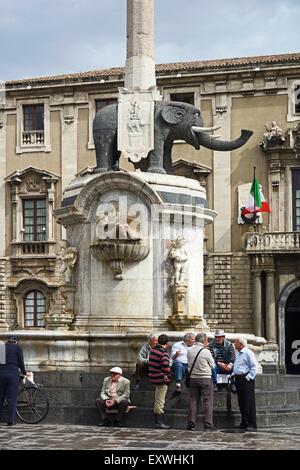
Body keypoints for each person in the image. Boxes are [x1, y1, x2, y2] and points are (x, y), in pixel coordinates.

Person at [186, 332, 216, 432]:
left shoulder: (189, 350)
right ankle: (208, 425)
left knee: (193, 401)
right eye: (207, 340)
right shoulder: (206, 351)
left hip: (193, 378)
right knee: (207, 401)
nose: (207, 342)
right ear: (203, 341)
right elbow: (213, 365)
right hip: (205, 378)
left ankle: (191, 423)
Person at [0, 336, 29, 426]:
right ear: (16, 342)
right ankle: (10, 420)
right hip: (13, 374)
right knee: (12, 398)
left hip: (1, 374)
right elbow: (21, 362)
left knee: (0, 398)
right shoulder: (17, 348)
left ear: (8, 341)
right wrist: (24, 372)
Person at [231, 337, 257, 431]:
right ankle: (244, 422)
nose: (234, 344)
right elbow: (238, 366)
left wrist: (247, 377)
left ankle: (252, 423)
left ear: (241, 344)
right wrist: (233, 374)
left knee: (248, 402)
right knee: (241, 402)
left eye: (236, 342)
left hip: (246, 380)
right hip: (238, 379)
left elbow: (254, 367)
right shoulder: (238, 353)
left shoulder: (248, 353)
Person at [148, 334, 171, 429]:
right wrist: (168, 373)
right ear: (167, 343)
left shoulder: (153, 350)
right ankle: (158, 422)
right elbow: (165, 366)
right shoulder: (163, 353)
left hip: (153, 377)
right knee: (160, 401)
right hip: (161, 378)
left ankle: (158, 421)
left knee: (158, 399)